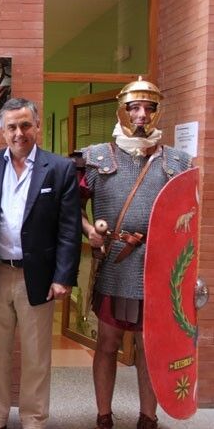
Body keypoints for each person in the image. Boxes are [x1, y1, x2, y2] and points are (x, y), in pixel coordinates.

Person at [80, 78, 192, 429]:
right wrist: (89, 231)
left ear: (158, 112)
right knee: (107, 343)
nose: (141, 114)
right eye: (134, 107)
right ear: (122, 110)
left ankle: (148, 416)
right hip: (116, 265)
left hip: (157, 268)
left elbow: (188, 217)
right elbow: (69, 207)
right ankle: (103, 414)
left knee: (150, 346)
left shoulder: (178, 162)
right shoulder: (96, 158)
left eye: (149, 107)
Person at [0, 98, 81, 429]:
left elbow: (69, 229)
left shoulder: (59, 168)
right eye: (12, 127)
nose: (19, 133)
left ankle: (33, 419)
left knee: (36, 356)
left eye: (25, 125)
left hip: (38, 276)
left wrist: (63, 277)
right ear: (3, 131)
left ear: (37, 126)